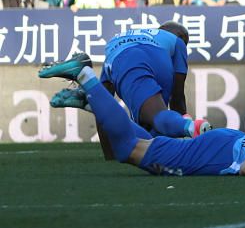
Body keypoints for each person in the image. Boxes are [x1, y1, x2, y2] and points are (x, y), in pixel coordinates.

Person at [41, 52, 245, 176]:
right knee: (128, 150)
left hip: (229, 141)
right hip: (222, 155)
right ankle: (85, 76)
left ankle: (92, 102)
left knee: (148, 149)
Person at [41, 23, 210, 144]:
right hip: (151, 57)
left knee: (108, 108)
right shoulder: (176, 40)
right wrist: (183, 123)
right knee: (157, 119)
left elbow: (103, 110)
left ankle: (84, 77)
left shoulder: (124, 37)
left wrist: (110, 153)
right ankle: (192, 127)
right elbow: (177, 94)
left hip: (119, 58)